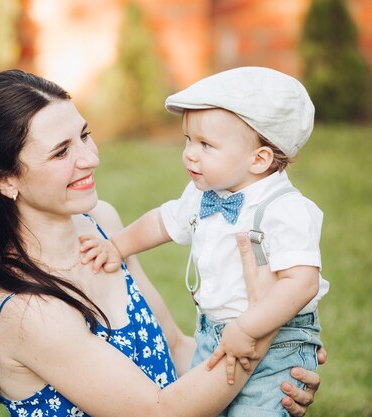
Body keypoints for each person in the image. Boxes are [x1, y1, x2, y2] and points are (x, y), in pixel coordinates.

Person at [0, 69, 324, 417]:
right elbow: (160, 411)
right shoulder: (25, 308)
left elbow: (174, 347)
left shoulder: (101, 225)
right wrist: (265, 328)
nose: (90, 158)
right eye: (61, 151)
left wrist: (275, 377)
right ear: (6, 180)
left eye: (85, 136)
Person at [80, 66, 330, 416]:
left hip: (275, 343)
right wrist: (117, 246)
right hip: (213, 334)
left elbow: (302, 283)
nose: (189, 154)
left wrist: (248, 328)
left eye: (206, 145)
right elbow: (161, 222)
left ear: (259, 160)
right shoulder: (204, 192)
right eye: (188, 140)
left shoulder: (285, 209)